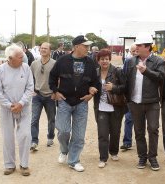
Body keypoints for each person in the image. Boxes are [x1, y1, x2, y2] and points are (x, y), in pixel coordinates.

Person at [49, 35, 98, 172]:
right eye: (85, 46)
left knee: (79, 135)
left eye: (88, 46)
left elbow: (94, 81)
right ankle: (64, 150)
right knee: (63, 131)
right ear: (77, 46)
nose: (88, 49)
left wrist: (91, 92)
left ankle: (73, 160)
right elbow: (52, 77)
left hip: (82, 102)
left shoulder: (90, 62)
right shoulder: (62, 60)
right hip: (65, 101)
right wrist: (55, 91)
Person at [125, 32, 164, 171]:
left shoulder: (159, 61)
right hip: (135, 103)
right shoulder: (131, 61)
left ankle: (152, 157)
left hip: (152, 102)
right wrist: (127, 99)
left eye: (139, 45)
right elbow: (126, 80)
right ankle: (142, 157)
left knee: (153, 129)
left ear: (148, 47)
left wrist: (146, 71)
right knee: (139, 131)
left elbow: (160, 77)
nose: (137, 47)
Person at [0, 44, 34, 176]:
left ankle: (24, 164)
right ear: (10, 58)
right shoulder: (0, 70)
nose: (22, 58)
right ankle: (9, 165)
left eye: (22, 56)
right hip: (7, 109)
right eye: (19, 57)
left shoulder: (26, 68)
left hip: (24, 107)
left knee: (25, 135)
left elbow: (30, 88)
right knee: (7, 137)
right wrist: (9, 105)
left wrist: (21, 103)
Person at [93, 49, 127, 168]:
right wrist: (91, 89)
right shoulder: (95, 72)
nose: (104, 61)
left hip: (115, 107)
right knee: (102, 133)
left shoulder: (117, 71)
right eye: (102, 59)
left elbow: (125, 87)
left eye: (106, 59)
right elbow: (90, 85)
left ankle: (113, 152)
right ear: (98, 61)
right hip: (101, 108)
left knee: (115, 131)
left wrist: (114, 87)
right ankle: (103, 158)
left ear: (109, 59)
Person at [30, 42, 56, 151]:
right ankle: (34, 141)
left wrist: (55, 92)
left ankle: (50, 137)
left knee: (51, 119)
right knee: (34, 119)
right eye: (42, 48)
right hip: (37, 96)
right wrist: (33, 90)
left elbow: (58, 79)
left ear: (50, 51)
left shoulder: (55, 64)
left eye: (46, 48)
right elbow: (30, 78)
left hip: (50, 96)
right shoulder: (34, 64)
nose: (43, 50)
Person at [120, 44, 138, 150]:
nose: (136, 52)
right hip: (130, 96)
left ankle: (141, 141)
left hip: (143, 97)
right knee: (128, 119)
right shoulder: (128, 62)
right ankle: (127, 142)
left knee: (141, 121)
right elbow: (124, 77)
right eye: (133, 51)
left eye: (137, 50)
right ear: (130, 52)